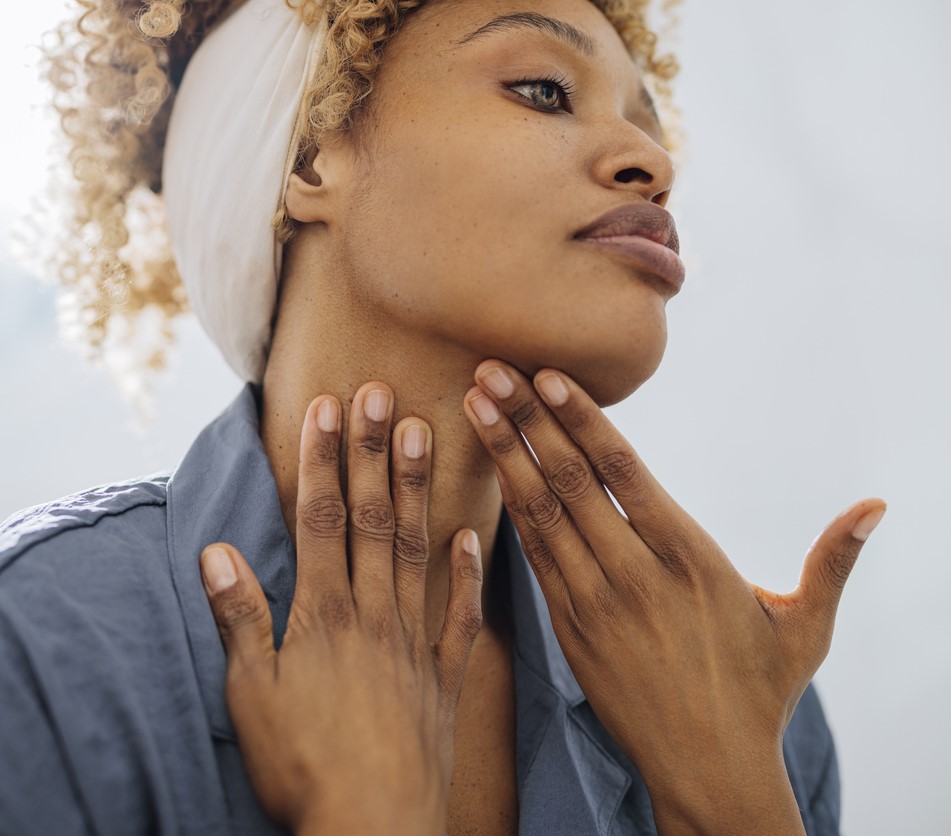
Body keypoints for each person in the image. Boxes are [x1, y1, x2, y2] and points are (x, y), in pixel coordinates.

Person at [0, 0, 886, 834]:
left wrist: (733, 800)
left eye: (646, 124)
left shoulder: (757, 715)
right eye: (544, 91)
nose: (651, 165)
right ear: (309, 156)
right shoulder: (41, 640)